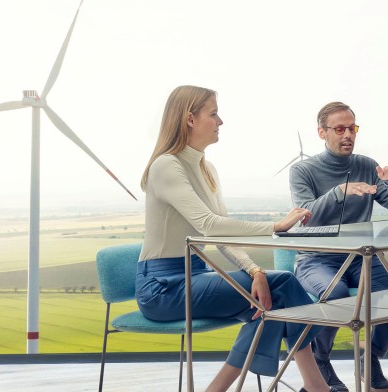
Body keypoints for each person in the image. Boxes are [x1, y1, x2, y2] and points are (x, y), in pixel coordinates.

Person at [136, 85, 336, 392]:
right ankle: (313, 386)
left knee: (273, 295)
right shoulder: (167, 165)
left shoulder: (206, 169)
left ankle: (311, 386)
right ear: (190, 119)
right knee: (282, 285)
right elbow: (209, 225)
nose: (221, 121)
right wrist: (277, 226)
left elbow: (222, 236)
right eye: (213, 114)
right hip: (163, 288)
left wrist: (255, 271)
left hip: (195, 275)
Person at [289, 101, 388, 392]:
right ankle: (321, 360)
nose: (348, 134)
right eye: (340, 128)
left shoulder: (367, 166)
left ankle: (369, 357)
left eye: (352, 128)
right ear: (322, 132)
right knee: (336, 294)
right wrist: (339, 192)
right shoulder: (302, 170)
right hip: (317, 259)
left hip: (359, 259)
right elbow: (305, 216)